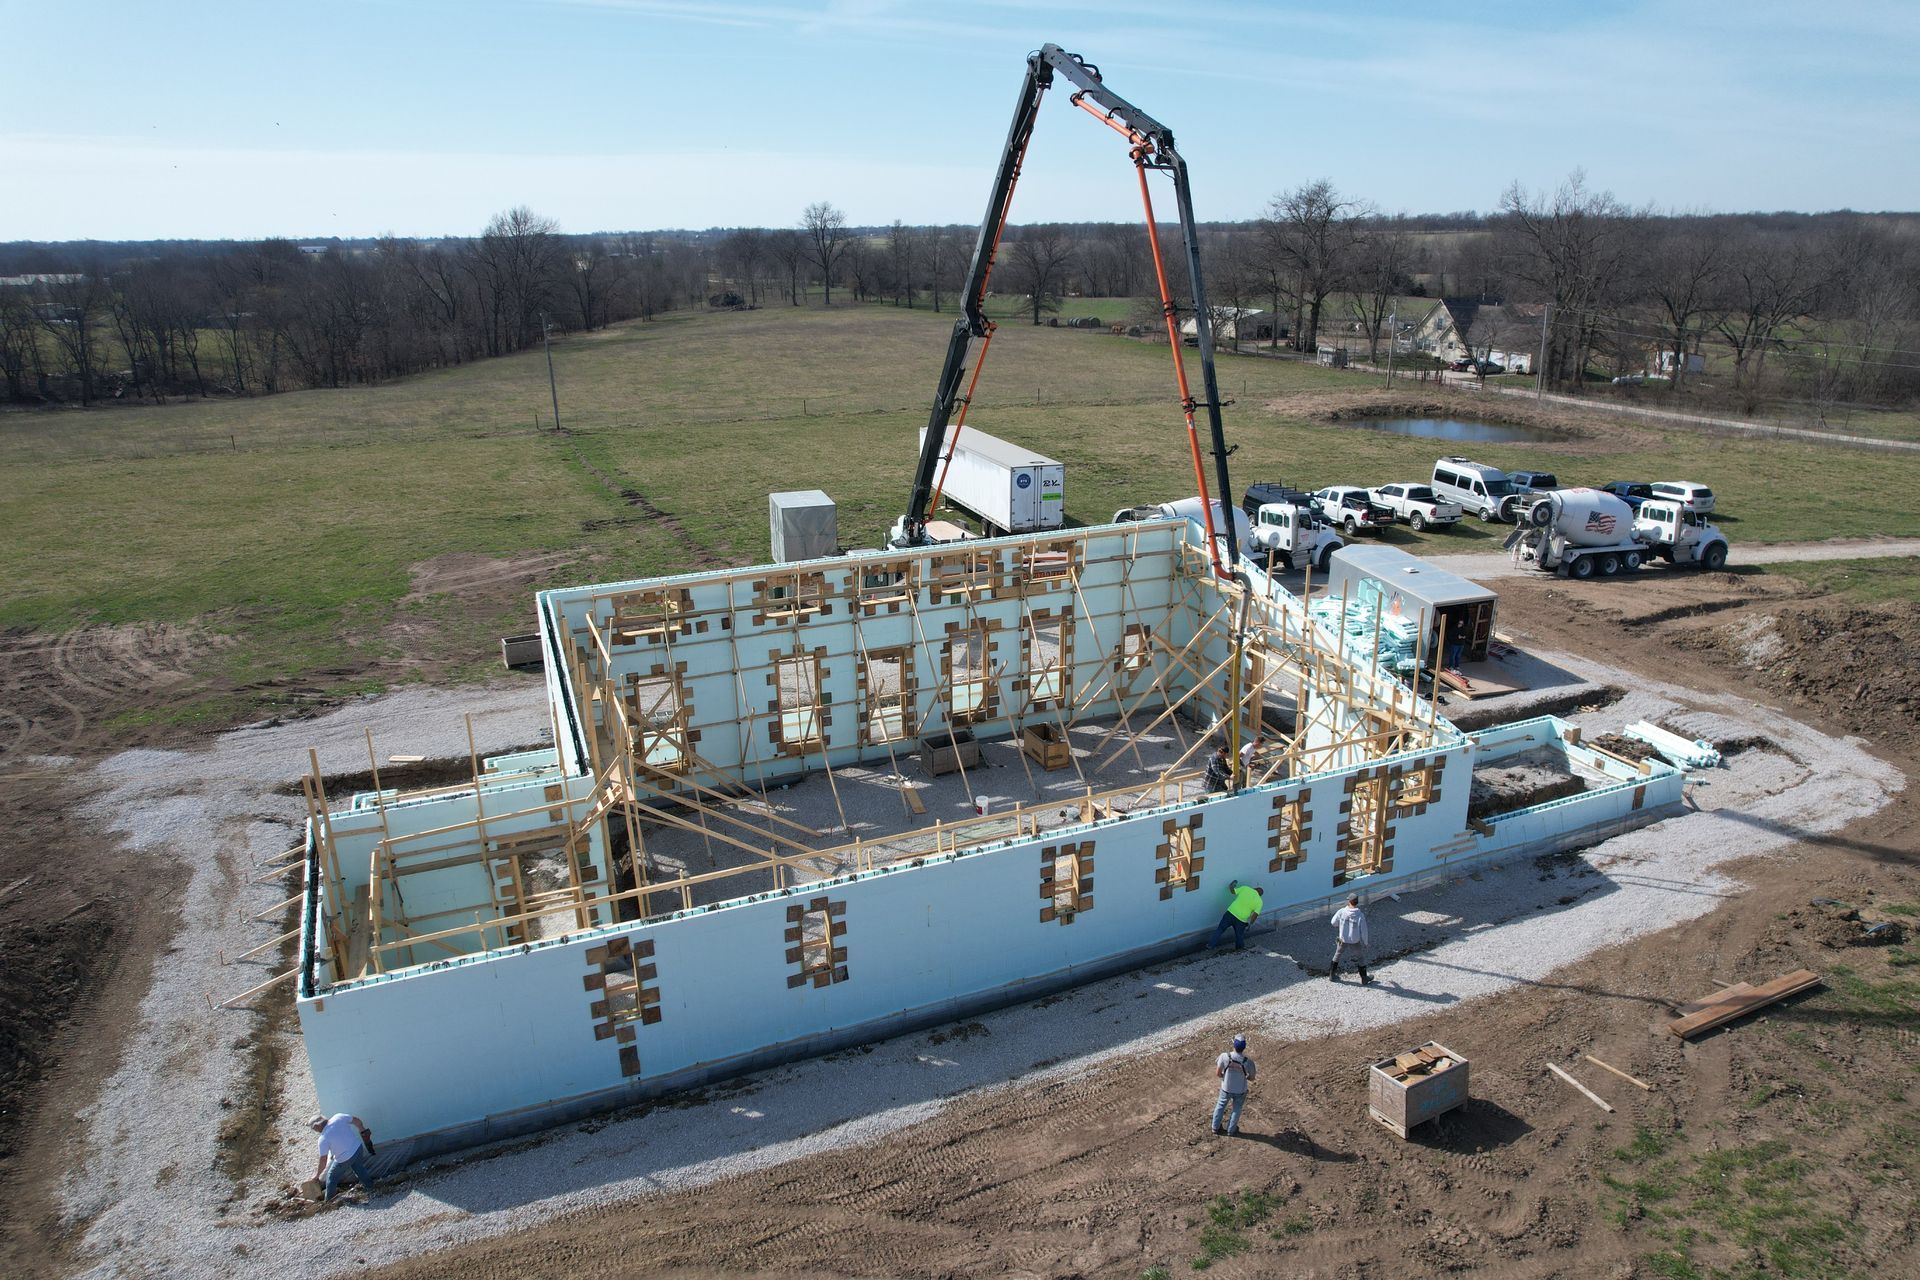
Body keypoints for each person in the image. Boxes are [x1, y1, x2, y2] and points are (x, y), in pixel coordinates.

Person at [310, 1112, 377, 1202]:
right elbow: (357, 1121)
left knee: (331, 1177)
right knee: (359, 1168)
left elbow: (323, 1160)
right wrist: (363, 1130)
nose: (315, 1131)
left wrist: (317, 1175)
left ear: (317, 1126)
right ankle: (370, 1187)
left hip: (345, 1159)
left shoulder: (323, 1138)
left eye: (314, 1129)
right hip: (357, 1148)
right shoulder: (338, 1117)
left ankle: (328, 1201)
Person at [1211, 1034, 1256, 1135]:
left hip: (1226, 1088)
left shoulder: (1224, 1056)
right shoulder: (1248, 1062)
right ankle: (1231, 1130)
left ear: (1234, 1045)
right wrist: (1245, 1077)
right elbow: (1252, 1078)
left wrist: (1224, 1077)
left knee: (1220, 1106)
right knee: (1237, 1109)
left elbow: (1218, 1073)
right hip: (1240, 1090)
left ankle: (1215, 1127)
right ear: (1244, 1047)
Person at [1208, 879, 1264, 951]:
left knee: (1220, 929)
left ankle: (1210, 945)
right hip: (1241, 920)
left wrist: (1232, 886)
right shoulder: (1259, 901)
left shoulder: (1246, 888)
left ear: (1255, 888)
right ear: (1260, 895)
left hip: (1230, 913)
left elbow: (1233, 891)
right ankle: (1239, 950)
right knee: (1239, 935)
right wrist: (1250, 924)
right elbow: (1255, 915)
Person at [1330, 893, 1372, 984]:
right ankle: (1364, 978)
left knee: (1337, 954)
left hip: (1342, 939)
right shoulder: (1360, 915)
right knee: (1360, 958)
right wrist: (1366, 942)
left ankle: (1332, 976)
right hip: (1354, 941)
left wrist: (1340, 925)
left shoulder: (1341, 911)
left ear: (1349, 901)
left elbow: (1333, 922)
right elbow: (1364, 931)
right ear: (1357, 902)